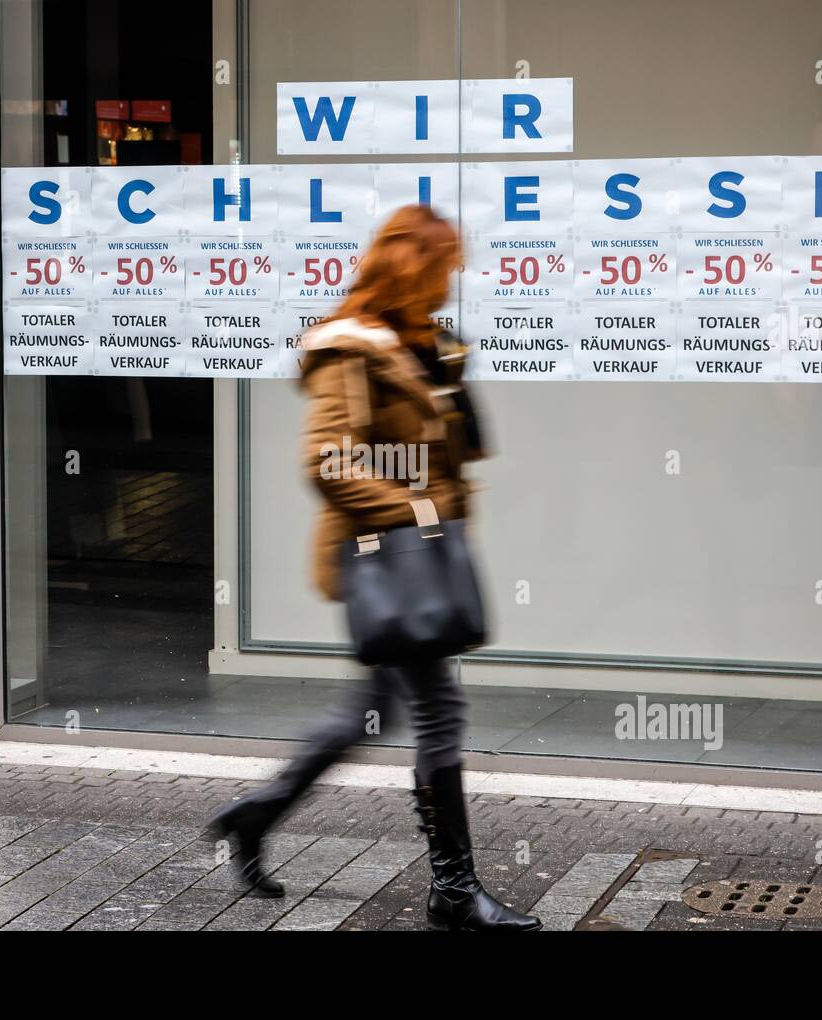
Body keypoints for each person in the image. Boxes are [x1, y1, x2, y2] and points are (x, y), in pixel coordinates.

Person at [210, 204, 541, 932]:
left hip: (423, 555)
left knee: (370, 711)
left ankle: (257, 815)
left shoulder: (428, 344)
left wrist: (449, 380)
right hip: (389, 553)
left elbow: (459, 448)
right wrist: (415, 513)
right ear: (411, 265)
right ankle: (454, 891)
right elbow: (326, 460)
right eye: (446, 262)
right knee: (440, 712)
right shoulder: (350, 350)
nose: (456, 276)